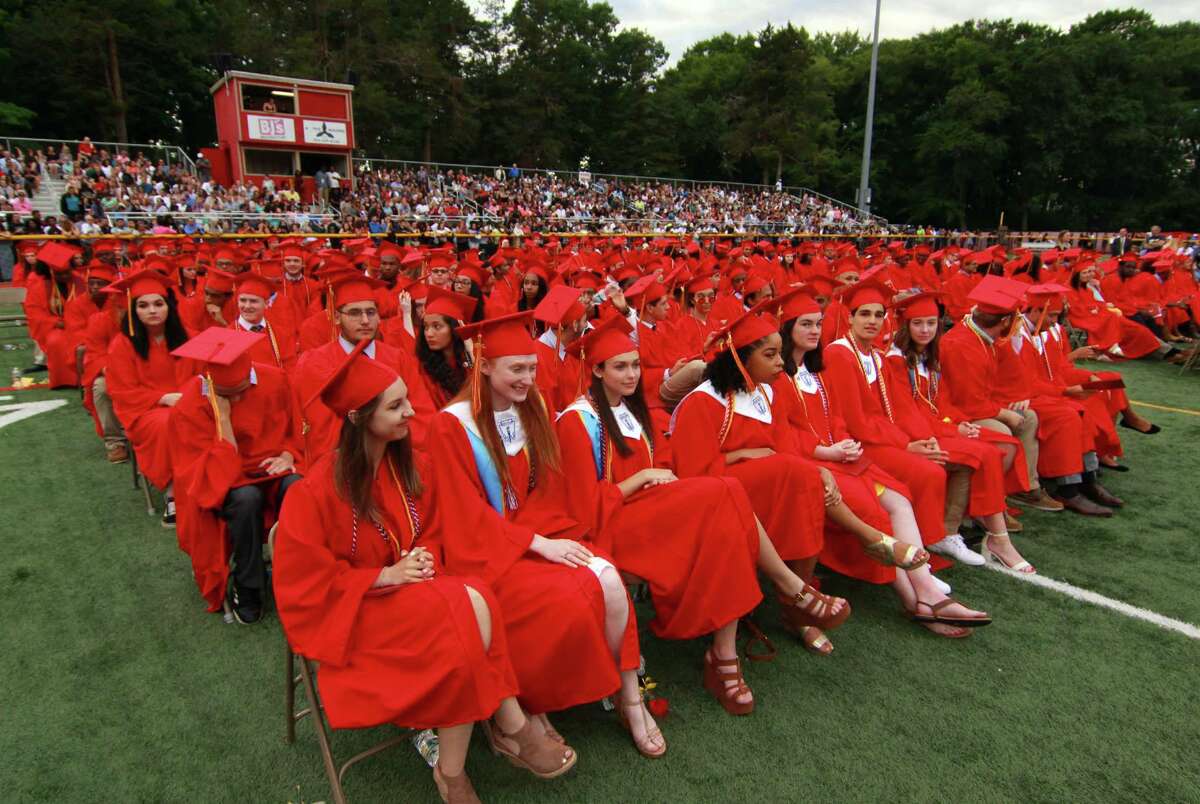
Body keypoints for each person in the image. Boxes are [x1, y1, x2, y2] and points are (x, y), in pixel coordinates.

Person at [275, 341, 577, 802]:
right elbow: (304, 588)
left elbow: (436, 531)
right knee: (468, 607)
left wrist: (423, 559)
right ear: (357, 417)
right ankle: (508, 725)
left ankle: (453, 769)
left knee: (471, 601)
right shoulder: (312, 493)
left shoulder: (412, 469)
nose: (410, 411)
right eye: (395, 406)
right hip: (356, 617)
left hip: (421, 597)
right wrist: (383, 577)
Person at [431, 312, 660, 757]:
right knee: (561, 599)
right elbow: (463, 514)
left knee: (607, 578)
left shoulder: (531, 407)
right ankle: (529, 704)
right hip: (481, 549)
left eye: (532, 368)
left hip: (536, 532)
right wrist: (534, 544)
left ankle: (627, 694)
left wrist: (546, 538)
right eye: (516, 369)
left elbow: (548, 490)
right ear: (484, 365)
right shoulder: (452, 425)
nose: (527, 378)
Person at [556, 317, 763, 711]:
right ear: (597, 370)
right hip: (613, 525)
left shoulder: (634, 412)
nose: (633, 374)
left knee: (724, 514)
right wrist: (643, 479)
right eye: (620, 366)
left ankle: (724, 649)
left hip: (651, 514)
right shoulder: (578, 421)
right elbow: (584, 508)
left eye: (635, 364)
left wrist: (659, 478)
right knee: (725, 494)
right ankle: (732, 646)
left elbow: (665, 463)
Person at [669, 308, 854, 649]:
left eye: (779, 353)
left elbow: (784, 449)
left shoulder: (768, 393)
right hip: (715, 497)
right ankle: (801, 597)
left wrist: (816, 468)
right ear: (740, 360)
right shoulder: (702, 402)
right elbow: (692, 478)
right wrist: (738, 456)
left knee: (808, 484)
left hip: (762, 490)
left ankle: (796, 606)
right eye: (769, 355)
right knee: (797, 474)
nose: (781, 364)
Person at [885, 291, 1034, 572]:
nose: (926, 330)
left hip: (936, 426)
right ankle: (995, 539)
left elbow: (942, 401)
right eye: (918, 324)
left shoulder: (929, 355)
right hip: (913, 433)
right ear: (905, 326)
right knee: (987, 453)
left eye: (931, 323)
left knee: (1001, 443)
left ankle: (962, 526)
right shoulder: (896, 361)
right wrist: (949, 430)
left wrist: (956, 423)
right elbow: (905, 411)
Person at [168, 327, 303, 622]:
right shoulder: (192, 404)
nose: (239, 399)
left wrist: (287, 456)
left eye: (243, 390)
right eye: (230, 395)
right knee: (246, 498)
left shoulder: (275, 380)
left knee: (296, 486)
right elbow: (213, 474)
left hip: (271, 470)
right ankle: (249, 584)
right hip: (224, 481)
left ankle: (300, 576)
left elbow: (296, 431)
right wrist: (224, 416)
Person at [292, 273, 434, 464]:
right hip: (340, 463)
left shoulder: (398, 358)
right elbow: (317, 427)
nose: (365, 320)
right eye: (355, 313)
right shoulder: (314, 363)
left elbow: (422, 414)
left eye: (371, 312)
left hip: (397, 459)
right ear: (336, 317)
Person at [103, 269, 194, 526]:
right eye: (143, 305)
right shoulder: (123, 345)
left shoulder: (188, 336)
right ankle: (173, 493)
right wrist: (163, 397)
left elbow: (201, 374)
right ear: (134, 311)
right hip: (145, 412)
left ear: (169, 307)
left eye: (158, 304)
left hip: (187, 403)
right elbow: (122, 390)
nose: (152, 310)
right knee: (167, 424)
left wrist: (186, 397)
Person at [24, 241, 84, 387]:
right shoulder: (40, 283)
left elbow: (87, 304)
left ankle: (85, 378)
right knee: (56, 341)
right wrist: (56, 322)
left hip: (79, 323)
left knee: (85, 340)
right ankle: (63, 381)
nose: (64, 276)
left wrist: (77, 322)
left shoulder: (78, 280)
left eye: (67, 272)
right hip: (56, 324)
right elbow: (34, 311)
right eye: (59, 274)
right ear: (51, 271)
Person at [415, 286, 477, 409]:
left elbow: (483, 392)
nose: (429, 334)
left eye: (437, 326)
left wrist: (471, 351)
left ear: (454, 329)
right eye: (426, 327)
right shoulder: (422, 368)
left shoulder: (468, 360)